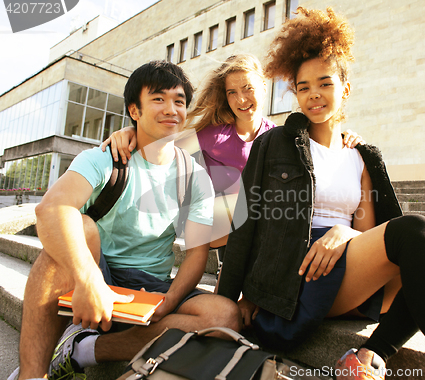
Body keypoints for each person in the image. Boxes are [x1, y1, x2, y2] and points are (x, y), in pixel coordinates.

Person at [216, 7, 425, 380]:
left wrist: (346, 233)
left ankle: (371, 353)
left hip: (347, 272)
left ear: (345, 88)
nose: (314, 95)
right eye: (303, 87)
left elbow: (368, 235)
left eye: (325, 83)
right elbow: (246, 222)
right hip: (297, 275)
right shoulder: (274, 144)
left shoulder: (360, 156)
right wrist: (228, 301)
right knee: (412, 230)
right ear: (295, 94)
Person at [10, 61, 240, 380]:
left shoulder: (194, 177)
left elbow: (197, 253)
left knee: (224, 317)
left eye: (178, 100)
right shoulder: (106, 157)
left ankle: (83, 351)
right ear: (134, 109)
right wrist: (90, 280)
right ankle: (32, 375)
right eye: (158, 99)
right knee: (76, 227)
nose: (171, 109)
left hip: (151, 285)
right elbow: (50, 210)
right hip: (96, 271)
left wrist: (170, 300)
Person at [103, 53, 364, 265]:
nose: (241, 99)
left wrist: (347, 138)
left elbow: (318, 146)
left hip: (264, 233)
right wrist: (129, 131)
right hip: (222, 228)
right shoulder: (213, 134)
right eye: (231, 92)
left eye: (248, 88)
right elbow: (164, 146)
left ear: (264, 86)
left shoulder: (279, 136)